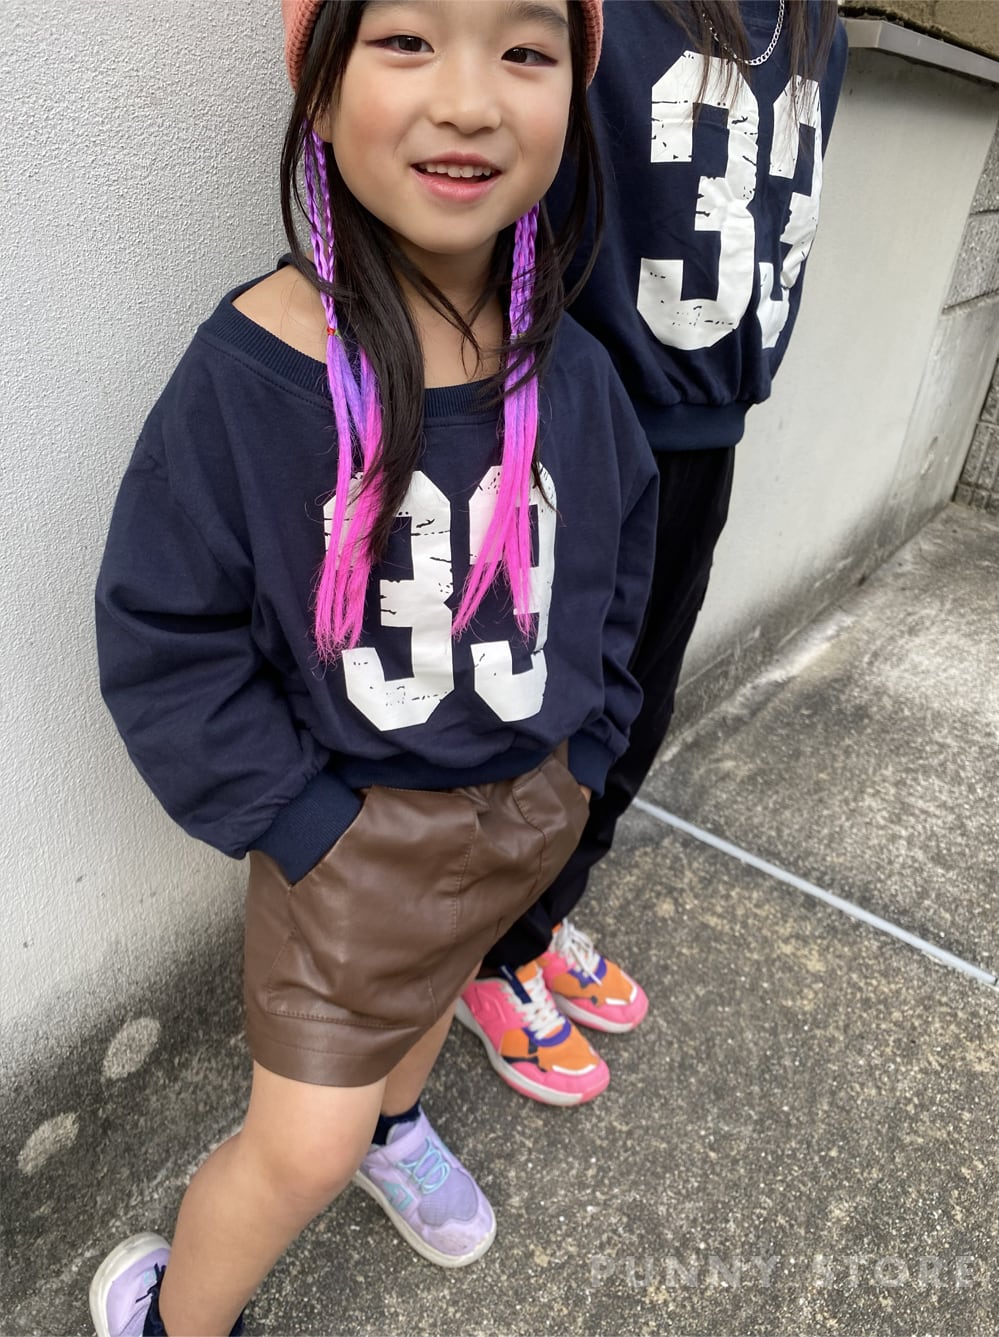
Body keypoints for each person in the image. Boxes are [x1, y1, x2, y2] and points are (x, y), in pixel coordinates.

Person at [87, 2, 660, 1333]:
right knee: (299, 1149)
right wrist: (306, 824)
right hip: (350, 850)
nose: (468, 99)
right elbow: (164, 633)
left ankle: (398, 1126)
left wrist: (584, 751)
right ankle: (177, 1314)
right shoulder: (250, 375)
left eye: (524, 51)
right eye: (407, 40)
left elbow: (618, 569)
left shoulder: (572, 368)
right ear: (321, 80)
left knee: (435, 991)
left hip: (523, 808)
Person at [457, 0, 849, 1105]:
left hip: (705, 430)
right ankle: (490, 953)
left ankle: (540, 916)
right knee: (537, 716)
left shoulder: (818, 30)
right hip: (569, 420)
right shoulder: (608, 15)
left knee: (635, 713)